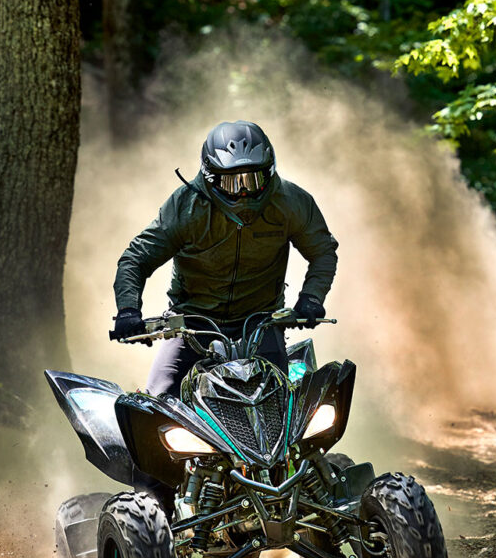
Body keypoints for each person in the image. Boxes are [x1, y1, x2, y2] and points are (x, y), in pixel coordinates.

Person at [111, 120, 338, 396]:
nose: (243, 193)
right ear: (210, 178)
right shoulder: (184, 207)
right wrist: (128, 310)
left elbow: (322, 250)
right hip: (192, 327)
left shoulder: (291, 202)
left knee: (285, 406)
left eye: (253, 180)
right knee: (160, 400)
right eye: (232, 182)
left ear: (269, 172)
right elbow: (136, 259)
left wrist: (312, 298)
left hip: (261, 323)